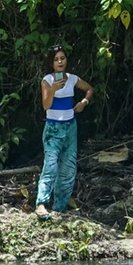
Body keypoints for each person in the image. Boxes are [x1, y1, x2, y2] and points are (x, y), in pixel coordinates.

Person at [35, 47, 92, 216]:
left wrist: (83, 102)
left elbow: (90, 89)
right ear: (51, 63)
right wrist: (52, 89)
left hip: (70, 127)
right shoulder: (47, 80)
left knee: (68, 168)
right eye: (56, 59)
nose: (60, 62)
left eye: (62, 58)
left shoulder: (73, 79)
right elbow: (46, 105)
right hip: (53, 128)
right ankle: (41, 204)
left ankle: (60, 207)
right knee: (51, 166)